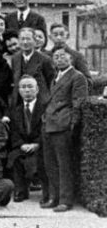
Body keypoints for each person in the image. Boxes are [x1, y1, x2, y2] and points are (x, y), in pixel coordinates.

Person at [40, 46, 89, 212]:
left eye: (62, 56)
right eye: (56, 57)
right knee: (50, 164)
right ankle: (54, 197)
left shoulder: (77, 77)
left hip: (63, 125)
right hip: (49, 124)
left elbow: (78, 103)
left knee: (64, 164)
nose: (58, 59)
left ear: (71, 59)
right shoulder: (55, 76)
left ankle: (65, 200)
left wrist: (73, 125)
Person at [5, 76, 45, 202]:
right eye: (23, 87)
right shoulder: (15, 110)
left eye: (30, 87)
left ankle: (43, 188)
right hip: (22, 146)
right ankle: (20, 190)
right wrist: (21, 144)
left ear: (37, 89)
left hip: (41, 146)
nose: (27, 90)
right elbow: (14, 132)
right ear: (19, 91)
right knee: (15, 157)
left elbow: (46, 130)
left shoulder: (45, 107)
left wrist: (36, 144)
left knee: (36, 160)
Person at [9, 26, 55, 98]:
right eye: (22, 39)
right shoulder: (15, 58)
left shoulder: (45, 59)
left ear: (34, 41)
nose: (25, 42)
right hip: (20, 101)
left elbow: (51, 82)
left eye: (28, 39)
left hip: (40, 101)